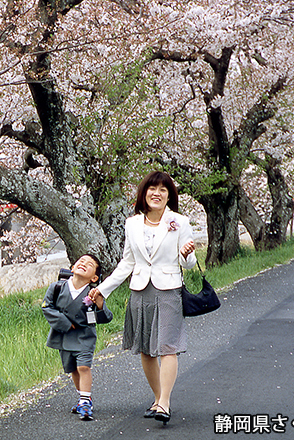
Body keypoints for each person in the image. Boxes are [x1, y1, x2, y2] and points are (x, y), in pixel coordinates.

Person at [88, 171, 196, 425]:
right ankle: (158, 399)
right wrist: (104, 288)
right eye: (152, 188)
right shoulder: (132, 223)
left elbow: (189, 264)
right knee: (147, 350)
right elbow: (127, 263)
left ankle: (165, 403)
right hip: (140, 291)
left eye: (163, 190)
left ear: (169, 196)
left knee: (168, 347)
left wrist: (186, 253)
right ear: (144, 192)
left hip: (169, 290)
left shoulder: (180, 221)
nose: (156, 193)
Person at [41, 254, 113, 421]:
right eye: (81, 261)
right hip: (64, 335)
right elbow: (46, 307)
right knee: (73, 369)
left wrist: (100, 304)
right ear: (72, 267)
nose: (83, 264)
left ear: (95, 277)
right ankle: (84, 397)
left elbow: (106, 318)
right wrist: (65, 323)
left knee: (83, 367)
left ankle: (85, 402)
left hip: (84, 337)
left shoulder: (92, 293)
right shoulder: (57, 287)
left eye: (89, 264)